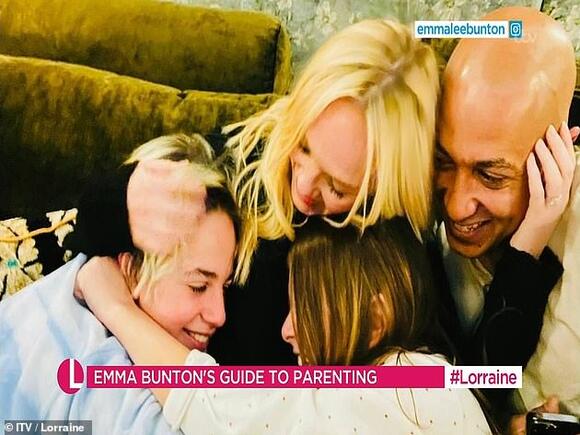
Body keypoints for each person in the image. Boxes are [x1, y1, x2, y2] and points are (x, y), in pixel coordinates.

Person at [75, 217, 493, 434]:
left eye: (304, 309)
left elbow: (210, 404)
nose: (287, 331)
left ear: (375, 318)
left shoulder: (405, 386)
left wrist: (116, 307)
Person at [0, 134, 241, 433]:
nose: (220, 315)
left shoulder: (64, 289)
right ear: (130, 268)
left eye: (225, 286)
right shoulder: (107, 385)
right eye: (198, 286)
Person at [434, 6, 579, 419]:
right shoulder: (415, 214)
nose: (455, 205)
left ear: (557, 153)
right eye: (444, 161)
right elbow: (468, 390)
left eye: (491, 176)